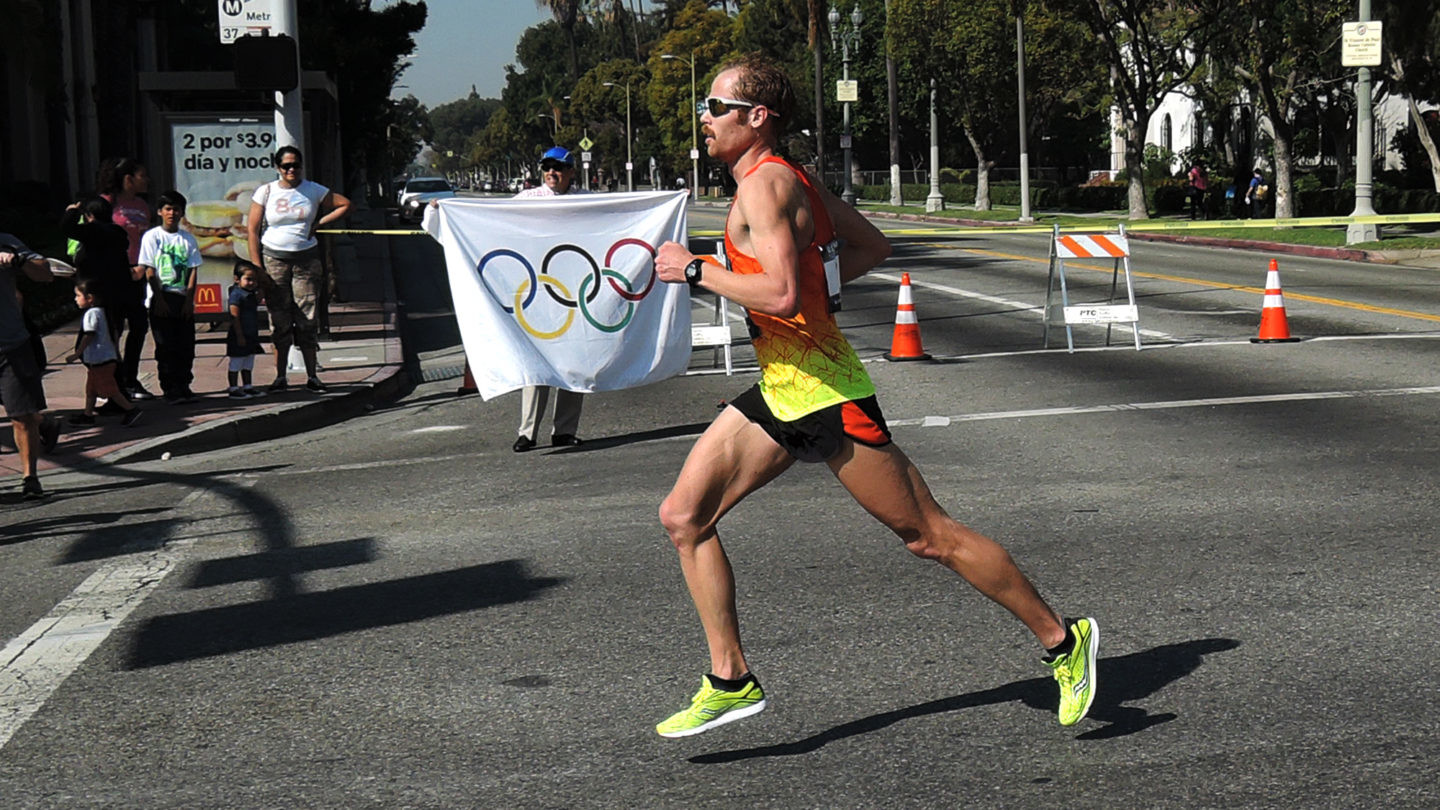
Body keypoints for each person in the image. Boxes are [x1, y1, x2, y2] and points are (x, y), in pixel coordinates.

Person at [649, 56, 1098, 738]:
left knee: (930, 536)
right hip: (783, 388)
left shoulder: (767, 187)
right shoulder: (791, 179)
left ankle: (1064, 641)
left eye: (714, 107)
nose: (703, 119)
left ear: (756, 118)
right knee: (684, 517)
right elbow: (871, 246)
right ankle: (730, 679)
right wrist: (814, 290)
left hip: (827, 392)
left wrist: (696, 271)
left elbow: (779, 293)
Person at [246, 145, 351, 393]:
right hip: (274, 261)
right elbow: (252, 230)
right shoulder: (266, 191)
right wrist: (258, 268)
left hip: (306, 261)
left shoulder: (313, 189)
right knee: (279, 320)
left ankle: (312, 375)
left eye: (295, 165)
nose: (291, 170)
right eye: (286, 166)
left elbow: (345, 205)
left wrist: (319, 222)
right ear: (277, 168)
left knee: (307, 319)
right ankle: (280, 376)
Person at [511, 146, 591, 452]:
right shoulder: (527, 200)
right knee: (537, 362)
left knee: (574, 362)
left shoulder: (586, 201)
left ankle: (565, 430)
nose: (551, 172)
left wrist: (673, 200)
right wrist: (444, 209)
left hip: (574, 291)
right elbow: (488, 218)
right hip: (540, 292)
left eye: (557, 167)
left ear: (571, 171)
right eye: (546, 167)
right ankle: (527, 432)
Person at [0, 234, 61, 498]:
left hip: (10, 346)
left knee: (22, 416)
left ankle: (30, 478)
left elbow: (44, 273)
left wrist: (18, 260)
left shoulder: (6, 242)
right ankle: (45, 424)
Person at [61, 196, 138, 401]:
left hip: (101, 300)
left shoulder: (95, 231)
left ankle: (117, 396)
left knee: (96, 350)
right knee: (108, 346)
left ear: (89, 216)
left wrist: (72, 210)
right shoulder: (116, 233)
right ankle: (113, 394)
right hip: (116, 297)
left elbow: (67, 228)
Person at [97, 157, 155, 400]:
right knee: (114, 329)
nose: (147, 179)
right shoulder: (105, 203)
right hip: (112, 275)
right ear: (128, 178)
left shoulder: (142, 205)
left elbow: (147, 240)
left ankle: (130, 379)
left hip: (137, 273)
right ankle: (111, 381)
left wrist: (143, 265)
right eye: (142, 175)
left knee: (139, 325)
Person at [138, 189, 203, 403]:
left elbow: (193, 270)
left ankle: (184, 384)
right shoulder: (152, 237)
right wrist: (158, 299)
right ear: (160, 211)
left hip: (182, 296)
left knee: (186, 345)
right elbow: (149, 270)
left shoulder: (188, 239)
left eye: (176, 209)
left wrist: (189, 301)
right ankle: (169, 387)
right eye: (168, 209)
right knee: (166, 346)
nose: (172, 213)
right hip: (162, 296)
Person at [64, 279, 143, 427]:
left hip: (100, 360)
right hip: (104, 358)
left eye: (78, 295)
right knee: (91, 389)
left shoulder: (91, 314)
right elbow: (114, 333)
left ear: (90, 298)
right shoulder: (104, 312)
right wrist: (115, 351)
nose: (75, 299)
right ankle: (87, 415)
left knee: (109, 389)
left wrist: (77, 353)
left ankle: (131, 409)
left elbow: (89, 334)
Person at [226, 262, 266, 399]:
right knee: (236, 362)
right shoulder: (236, 295)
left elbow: (258, 298)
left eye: (254, 280)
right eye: (248, 279)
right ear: (237, 279)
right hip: (240, 334)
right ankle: (233, 388)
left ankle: (247, 386)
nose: (252, 283)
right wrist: (239, 335)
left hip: (251, 334)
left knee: (248, 362)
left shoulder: (250, 294)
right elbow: (234, 317)